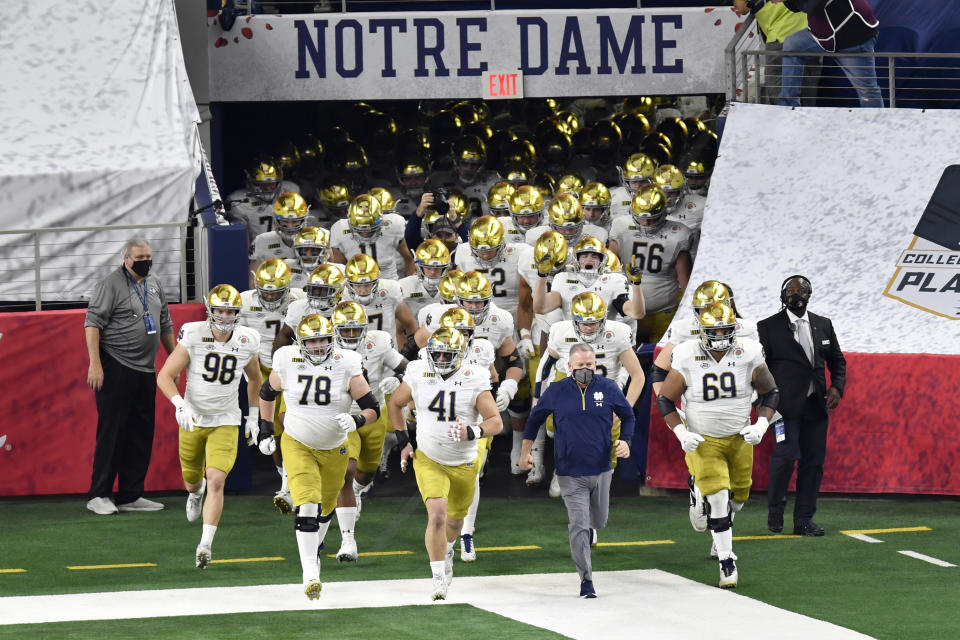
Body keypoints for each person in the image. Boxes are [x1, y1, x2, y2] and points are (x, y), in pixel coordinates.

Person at [656, 303, 780, 589]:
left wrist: (761, 425)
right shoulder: (687, 354)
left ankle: (707, 506)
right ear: (702, 331)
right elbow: (665, 398)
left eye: (726, 329)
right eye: (716, 330)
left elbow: (770, 391)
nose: (722, 335)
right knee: (719, 496)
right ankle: (727, 559)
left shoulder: (748, 351)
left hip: (739, 437)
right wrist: (681, 433)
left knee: (739, 497)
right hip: (704, 439)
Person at [259, 314, 381, 599]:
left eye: (322, 339)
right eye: (311, 340)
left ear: (332, 339)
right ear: (300, 343)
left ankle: (313, 554)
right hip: (297, 441)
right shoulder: (287, 359)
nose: (317, 345)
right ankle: (310, 573)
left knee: (326, 508)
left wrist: (358, 421)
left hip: (335, 447)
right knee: (308, 504)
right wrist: (265, 430)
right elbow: (267, 393)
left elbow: (372, 406)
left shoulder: (346, 362)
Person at [388, 327, 503, 601]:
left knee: (454, 522)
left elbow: (495, 422)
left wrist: (473, 432)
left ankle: (448, 549)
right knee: (437, 515)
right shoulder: (418, 371)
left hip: (463, 461)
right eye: (436, 353)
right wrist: (404, 441)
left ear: (460, 354)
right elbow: (395, 404)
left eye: (446, 354)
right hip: (429, 458)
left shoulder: (474, 377)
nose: (440, 359)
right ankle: (438, 577)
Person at [156, 285, 263, 568]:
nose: (226, 316)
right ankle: (193, 493)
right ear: (210, 310)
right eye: (221, 310)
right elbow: (166, 375)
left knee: (216, 479)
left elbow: (255, 379)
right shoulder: (194, 334)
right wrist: (180, 403)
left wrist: (253, 416)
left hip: (226, 419)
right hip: (193, 417)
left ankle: (205, 544)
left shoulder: (247, 339)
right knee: (193, 479)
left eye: (230, 311)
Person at [521, 342, 635, 599]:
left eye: (590, 364)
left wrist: (626, 440)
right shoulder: (557, 391)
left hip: (602, 468)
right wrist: (525, 452)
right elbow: (535, 420)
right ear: (569, 366)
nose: (586, 369)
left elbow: (628, 416)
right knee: (579, 525)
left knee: (599, 520)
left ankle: (590, 530)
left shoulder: (608, 388)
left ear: (596, 365)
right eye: (580, 365)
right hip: (569, 472)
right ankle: (586, 580)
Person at [84, 237, 175, 515]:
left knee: (141, 432)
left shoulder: (155, 283)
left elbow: (165, 323)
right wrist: (95, 364)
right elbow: (92, 323)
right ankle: (99, 494)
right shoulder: (110, 285)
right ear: (127, 259)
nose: (146, 261)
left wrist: (174, 362)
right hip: (116, 366)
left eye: (149, 256)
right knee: (112, 432)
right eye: (139, 257)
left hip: (146, 370)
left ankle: (130, 494)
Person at [758, 275, 846, 536]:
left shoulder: (823, 325)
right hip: (782, 408)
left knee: (814, 462)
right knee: (785, 458)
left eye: (803, 290)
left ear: (810, 295)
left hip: (816, 407)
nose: (797, 294)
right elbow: (758, 368)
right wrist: (763, 402)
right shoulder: (767, 327)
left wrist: (837, 387)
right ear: (783, 296)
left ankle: (804, 519)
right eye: (791, 290)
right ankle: (776, 511)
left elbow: (838, 362)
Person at [772, 0, 883, 108]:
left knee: (867, 92)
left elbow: (813, 5)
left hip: (852, 37)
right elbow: (797, 8)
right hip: (824, 36)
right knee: (793, 44)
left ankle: (875, 124)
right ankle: (788, 105)